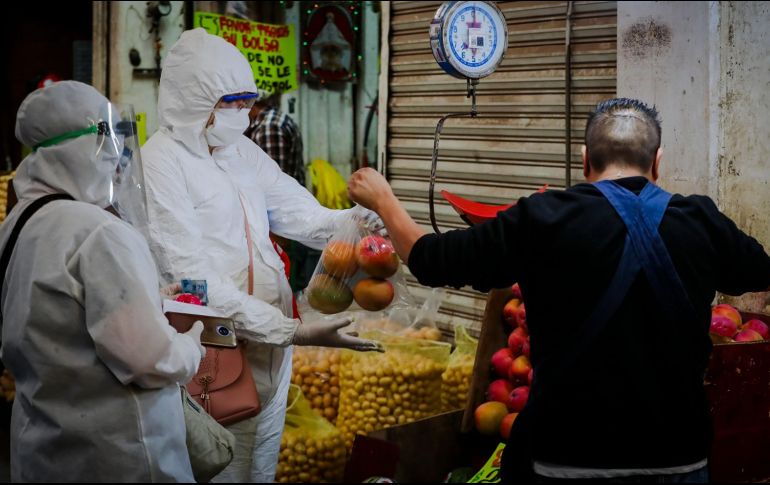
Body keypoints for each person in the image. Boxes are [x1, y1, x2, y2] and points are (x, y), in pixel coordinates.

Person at [348, 98, 770, 483]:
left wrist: (383, 198)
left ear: (585, 159)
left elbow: (429, 259)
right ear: (657, 162)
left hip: (564, 459)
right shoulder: (702, 220)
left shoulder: (542, 218)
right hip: (678, 458)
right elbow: (759, 271)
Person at [141, 28, 380, 483]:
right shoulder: (162, 162)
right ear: (195, 101)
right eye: (229, 102)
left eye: (245, 100)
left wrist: (361, 219)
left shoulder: (241, 152)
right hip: (214, 355)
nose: (242, 113)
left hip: (274, 352)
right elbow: (193, 279)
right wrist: (292, 331)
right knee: (221, 468)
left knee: (261, 468)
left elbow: (301, 215)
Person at [0, 80, 206, 482]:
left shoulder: (19, 225)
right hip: (117, 457)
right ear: (73, 150)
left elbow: (56, 315)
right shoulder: (97, 232)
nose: (118, 159)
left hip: (44, 449)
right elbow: (150, 360)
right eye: (106, 143)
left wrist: (145, 296)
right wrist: (191, 346)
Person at [244, 92, 317, 293]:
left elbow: (271, 185)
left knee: (286, 278)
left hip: (282, 218)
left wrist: (273, 230)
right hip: (289, 213)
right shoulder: (277, 119)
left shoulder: (269, 128)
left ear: (253, 106)